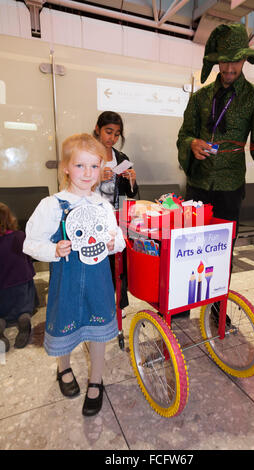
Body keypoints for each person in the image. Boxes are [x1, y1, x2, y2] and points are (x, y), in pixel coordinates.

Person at [177, 23, 254, 322]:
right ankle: (182, 303)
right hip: (197, 186)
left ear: (244, 60)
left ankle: (217, 309)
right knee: (188, 250)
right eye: (224, 60)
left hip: (230, 188)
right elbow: (184, 135)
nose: (230, 67)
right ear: (217, 61)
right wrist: (192, 143)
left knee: (221, 252)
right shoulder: (199, 98)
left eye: (235, 60)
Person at [23, 133, 125, 417]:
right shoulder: (52, 205)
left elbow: (119, 240)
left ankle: (96, 380)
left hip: (98, 281)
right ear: (66, 167)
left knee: (99, 329)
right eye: (80, 166)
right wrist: (54, 249)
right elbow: (30, 243)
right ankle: (63, 367)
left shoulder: (103, 206)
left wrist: (111, 243)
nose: (87, 173)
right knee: (64, 321)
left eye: (94, 167)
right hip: (65, 282)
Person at [94, 111, 139, 317]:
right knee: (98, 262)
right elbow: (74, 186)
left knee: (118, 261)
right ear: (98, 129)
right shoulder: (87, 154)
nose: (112, 138)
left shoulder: (122, 157)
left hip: (117, 216)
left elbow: (131, 192)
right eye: (108, 132)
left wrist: (131, 178)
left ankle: (118, 304)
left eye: (116, 134)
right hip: (94, 217)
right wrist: (96, 178)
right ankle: (97, 304)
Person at [0, 203, 38, 352]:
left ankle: (1, 324)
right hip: (22, 286)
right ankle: (24, 317)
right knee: (24, 307)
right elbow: (29, 259)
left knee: (1, 314)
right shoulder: (20, 236)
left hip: (2, 288)